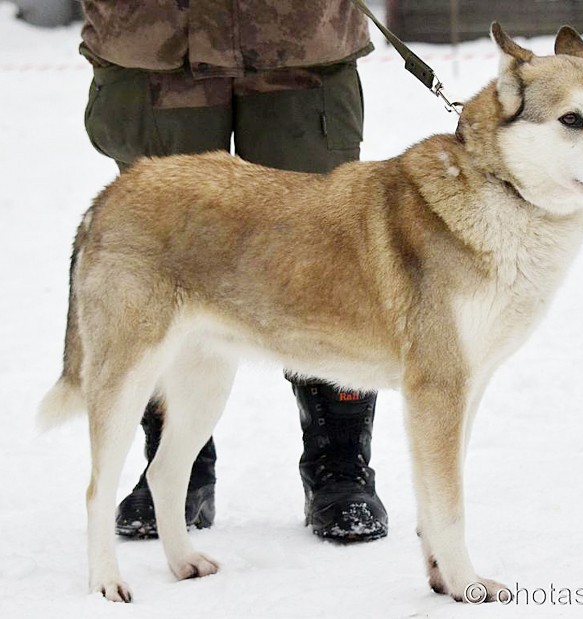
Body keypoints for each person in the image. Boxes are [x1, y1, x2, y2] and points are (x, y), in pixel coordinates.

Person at [78, 0, 387, 543]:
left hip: (298, 38)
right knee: (163, 259)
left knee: (322, 262)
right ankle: (176, 470)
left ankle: (339, 465)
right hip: (155, 37)